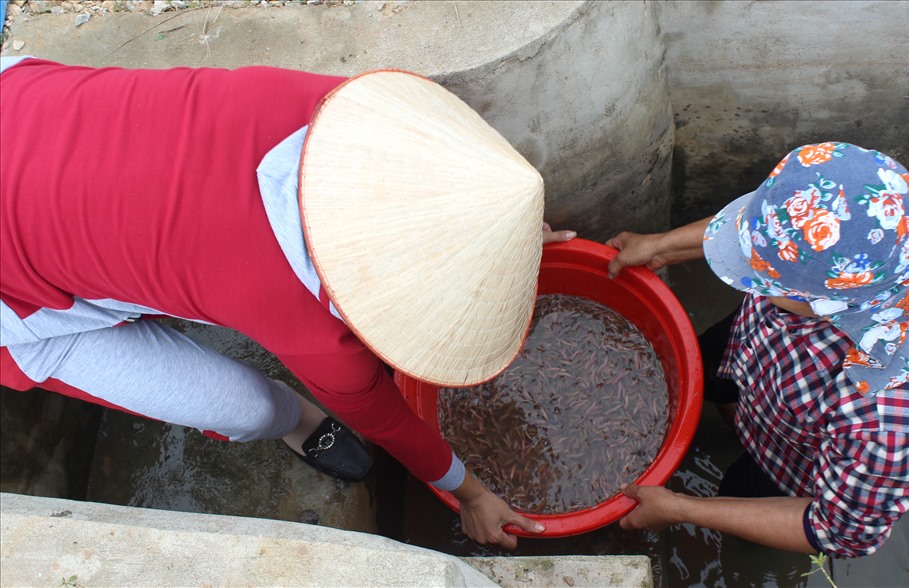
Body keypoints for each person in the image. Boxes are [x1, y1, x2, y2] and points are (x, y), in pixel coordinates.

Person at [0, 56, 575, 549]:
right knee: (245, 408)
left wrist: (499, 234)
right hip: (15, 300)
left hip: (20, 101)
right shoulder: (317, 337)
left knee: (148, 256)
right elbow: (392, 424)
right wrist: (470, 494)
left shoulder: (323, 102)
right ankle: (294, 421)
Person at [606, 142, 909, 558]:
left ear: (823, 302)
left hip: (783, 466)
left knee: (737, 492)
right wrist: (661, 245)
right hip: (755, 346)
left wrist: (682, 509)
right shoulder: (867, 223)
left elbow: (837, 531)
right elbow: (754, 228)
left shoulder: (891, 423)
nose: (746, 277)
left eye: (760, 276)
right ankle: (731, 413)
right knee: (708, 368)